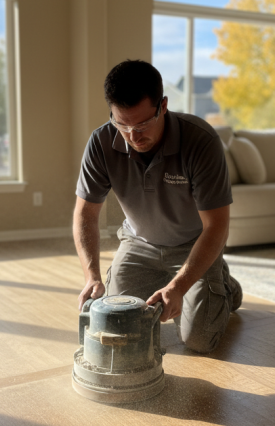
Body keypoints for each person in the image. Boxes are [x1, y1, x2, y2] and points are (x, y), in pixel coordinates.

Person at [73, 60, 242, 353]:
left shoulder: (201, 141)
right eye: (122, 124)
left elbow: (217, 225)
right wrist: (92, 276)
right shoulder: (101, 142)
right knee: (117, 324)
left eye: (142, 124)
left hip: (193, 245)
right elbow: (86, 214)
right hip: (138, 244)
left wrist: (177, 287)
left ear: (163, 106)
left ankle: (224, 286)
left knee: (199, 340)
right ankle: (199, 285)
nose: (132, 136)